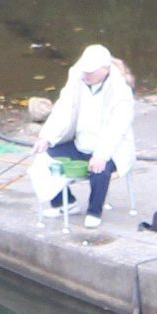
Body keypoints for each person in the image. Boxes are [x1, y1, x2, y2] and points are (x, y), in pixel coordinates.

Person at [31, 44, 135, 229]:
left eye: (91, 72)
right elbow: (62, 110)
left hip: (111, 149)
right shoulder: (76, 80)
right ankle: (65, 203)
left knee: (100, 170)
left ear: (105, 70)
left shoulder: (121, 91)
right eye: (85, 71)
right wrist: (46, 137)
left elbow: (117, 127)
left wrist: (102, 154)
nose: (86, 76)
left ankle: (94, 211)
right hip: (80, 144)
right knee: (45, 158)